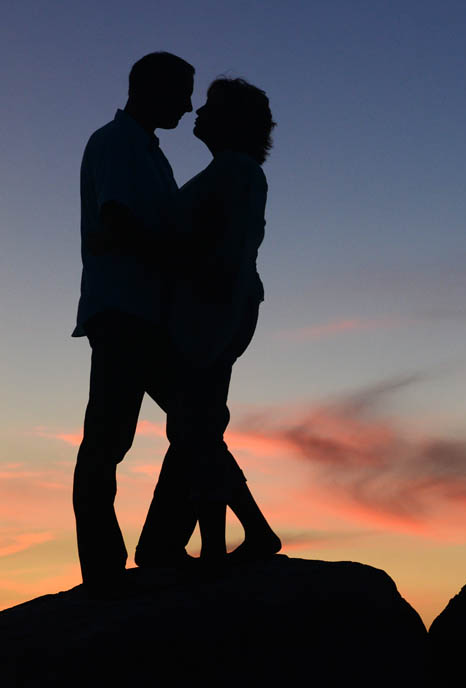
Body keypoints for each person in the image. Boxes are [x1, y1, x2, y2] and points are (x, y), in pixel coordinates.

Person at [135, 77, 281, 565]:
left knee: (196, 430)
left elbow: (227, 253)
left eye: (211, 107)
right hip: (212, 313)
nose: (198, 112)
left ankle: (227, 544)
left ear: (232, 121)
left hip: (209, 316)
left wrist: (210, 330)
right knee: (197, 430)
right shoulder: (230, 171)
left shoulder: (235, 173)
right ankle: (229, 540)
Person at [72, 52, 194, 592]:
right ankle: (105, 569)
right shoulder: (118, 143)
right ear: (150, 88)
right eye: (181, 93)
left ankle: (158, 543)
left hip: (147, 315)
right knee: (109, 440)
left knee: (194, 421)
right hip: (123, 311)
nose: (188, 106)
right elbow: (118, 220)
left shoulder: (147, 151)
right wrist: (186, 261)